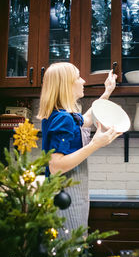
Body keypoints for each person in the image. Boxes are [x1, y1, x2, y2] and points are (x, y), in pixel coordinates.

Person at [37, 61, 121, 234]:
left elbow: (88, 118)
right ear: (66, 85)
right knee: (67, 255)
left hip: (70, 194)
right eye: (78, 77)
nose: (83, 81)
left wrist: (107, 91)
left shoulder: (63, 115)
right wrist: (95, 144)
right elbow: (56, 166)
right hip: (64, 197)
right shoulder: (63, 118)